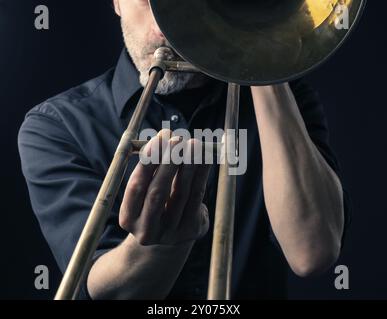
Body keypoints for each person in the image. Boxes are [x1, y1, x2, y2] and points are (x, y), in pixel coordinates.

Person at [18, 0, 349, 300]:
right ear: (117, 2)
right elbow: (100, 286)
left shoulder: (288, 100)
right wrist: (162, 246)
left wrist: (256, 49)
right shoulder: (58, 125)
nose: (164, 31)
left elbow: (312, 251)